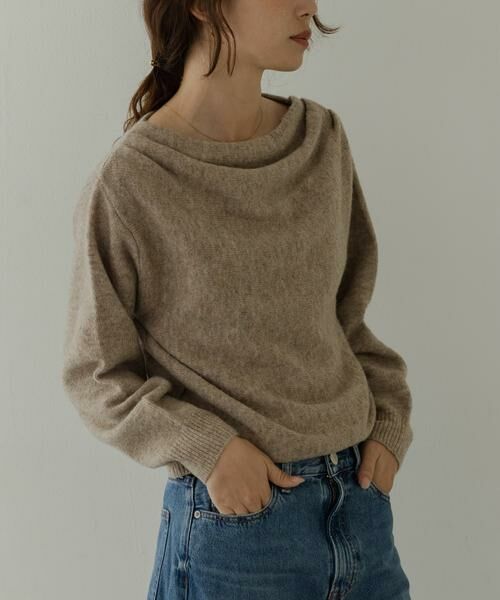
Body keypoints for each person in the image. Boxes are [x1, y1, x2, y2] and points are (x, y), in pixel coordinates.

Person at [61, 1, 414, 598]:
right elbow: (96, 375)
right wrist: (210, 450)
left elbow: (346, 319)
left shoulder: (321, 140)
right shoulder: (132, 182)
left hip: (361, 508)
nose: (309, 6)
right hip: (238, 532)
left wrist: (389, 423)